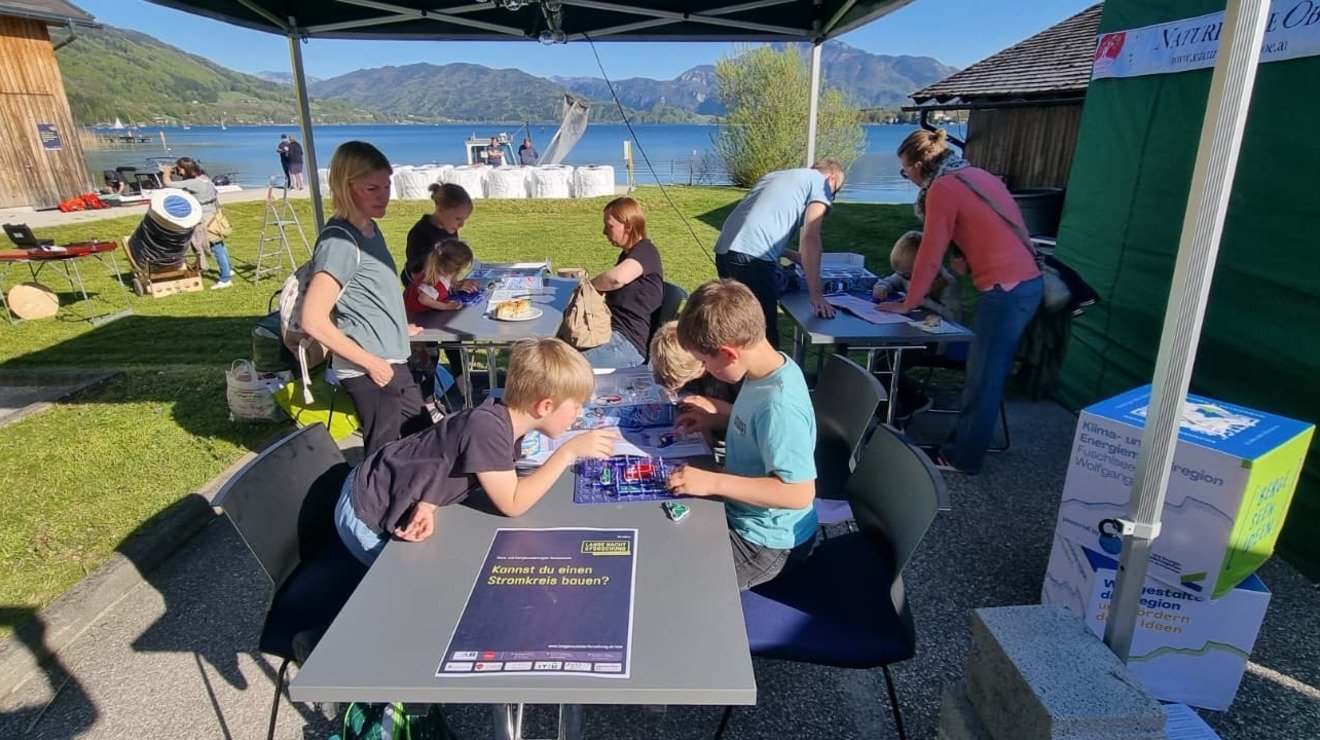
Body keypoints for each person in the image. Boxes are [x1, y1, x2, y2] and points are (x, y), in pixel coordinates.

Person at [334, 338, 618, 565]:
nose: (579, 412)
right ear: (545, 406)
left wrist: (429, 501)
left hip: (384, 487)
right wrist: (567, 453)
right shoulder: (489, 430)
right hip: (366, 513)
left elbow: (439, 458)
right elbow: (513, 504)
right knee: (408, 586)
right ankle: (323, 636)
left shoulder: (499, 420)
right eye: (577, 404)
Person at [878, 129, 1043, 474]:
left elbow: (928, 253)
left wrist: (908, 302)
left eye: (905, 171)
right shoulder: (973, 174)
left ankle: (962, 456)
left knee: (984, 377)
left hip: (1007, 289)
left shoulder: (943, 188)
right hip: (1024, 281)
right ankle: (964, 441)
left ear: (920, 164)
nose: (906, 177)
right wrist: (969, 259)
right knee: (985, 374)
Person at [666, 279, 818, 590]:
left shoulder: (780, 405)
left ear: (728, 353)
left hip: (766, 545)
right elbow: (758, 427)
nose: (705, 370)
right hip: (745, 516)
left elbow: (799, 493)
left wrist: (714, 481)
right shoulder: (765, 371)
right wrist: (717, 416)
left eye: (706, 362)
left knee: (676, 579)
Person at [300, 140, 433, 456]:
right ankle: (368, 503)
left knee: (423, 439)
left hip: (391, 358)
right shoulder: (340, 243)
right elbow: (313, 319)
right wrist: (371, 363)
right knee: (384, 451)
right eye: (372, 188)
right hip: (369, 368)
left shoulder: (370, 230)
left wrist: (400, 327)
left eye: (387, 186)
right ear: (346, 187)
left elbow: (373, 293)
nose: (384, 196)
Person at [712, 158, 846, 347]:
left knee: (736, 328)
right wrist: (816, 295)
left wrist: (794, 256)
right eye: (835, 191)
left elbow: (758, 224)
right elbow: (811, 237)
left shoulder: (777, 176)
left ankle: (731, 374)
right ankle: (767, 377)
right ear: (831, 177)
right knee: (762, 336)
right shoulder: (820, 182)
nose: (830, 197)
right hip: (753, 261)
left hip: (725, 254)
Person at [579, 197, 663, 370]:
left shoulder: (646, 252)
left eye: (609, 225)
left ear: (628, 226)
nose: (604, 231)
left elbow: (616, 279)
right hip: (611, 334)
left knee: (560, 370)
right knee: (554, 351)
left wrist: (587, 286)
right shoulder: (628, 255)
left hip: (628, 345)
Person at [403, 238, 479, 410]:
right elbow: (424, 298)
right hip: (419, 323)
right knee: (429, 359)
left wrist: (457, 287)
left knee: (452, 348)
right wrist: (446, 306)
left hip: (428, 319)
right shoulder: (433, 281)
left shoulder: (442, 275)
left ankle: (465, 394)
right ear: (455, 267)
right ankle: (428, 405)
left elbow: (444, 288)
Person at [159, 156, 232, 289]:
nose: (179, 172)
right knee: (219, 243)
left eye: (179, 169)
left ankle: (225, 278)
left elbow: (168, 184)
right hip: (214, 217)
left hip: (205, 220)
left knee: (216, 248)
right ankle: (229, 269)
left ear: (185, 169)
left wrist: (166, 171)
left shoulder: (194, 183)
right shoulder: (205, 178)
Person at [872, 230, 964, 321]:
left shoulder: (947, 284)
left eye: (908, 276)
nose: (905, 278)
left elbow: (954, 316)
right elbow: (891, 281)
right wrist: (882, 287)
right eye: (901, 274)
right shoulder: (905, 275)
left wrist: (921, 302)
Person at [403, 183, 473, 284]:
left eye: (464, 220)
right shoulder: (420, 234)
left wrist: (455, 283)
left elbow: (451, 264)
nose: (461, 224)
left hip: (440, 286)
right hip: (421, 290)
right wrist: (451, 287)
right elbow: (417, 273)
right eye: (458, 219)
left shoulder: (450, 229)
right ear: (440, 209)